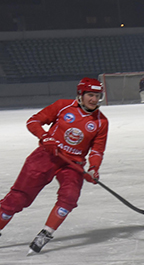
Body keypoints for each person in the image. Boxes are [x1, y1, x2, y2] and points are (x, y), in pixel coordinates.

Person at [0, 78, 108, 254]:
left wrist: (94, 168)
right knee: (18, 198)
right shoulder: (63, 106)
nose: (94, 100)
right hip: (46, 156)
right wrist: (45, 137)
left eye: (97, 96)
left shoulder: (101, 122)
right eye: (90, 95)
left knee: (70, 198)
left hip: (73, 164)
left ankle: (46, 233)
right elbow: (33, 121)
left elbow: (97, 150)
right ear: (80, 95)